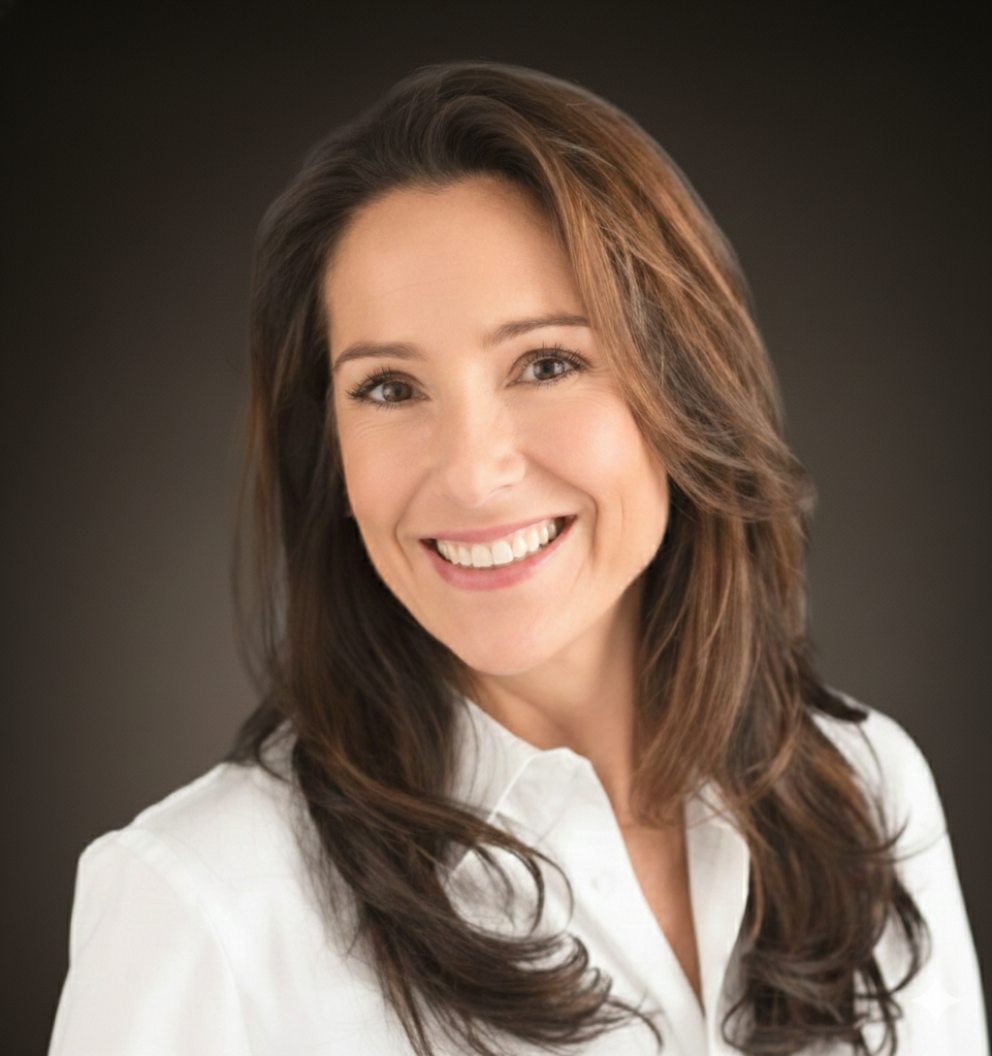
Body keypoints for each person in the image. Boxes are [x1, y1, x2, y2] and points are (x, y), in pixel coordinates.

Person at [48, 62, 986, 1056]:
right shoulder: (198, 907)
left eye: (546, 364)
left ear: (684, 391)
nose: (472, 475)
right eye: (387, 388)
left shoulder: (861, 785)